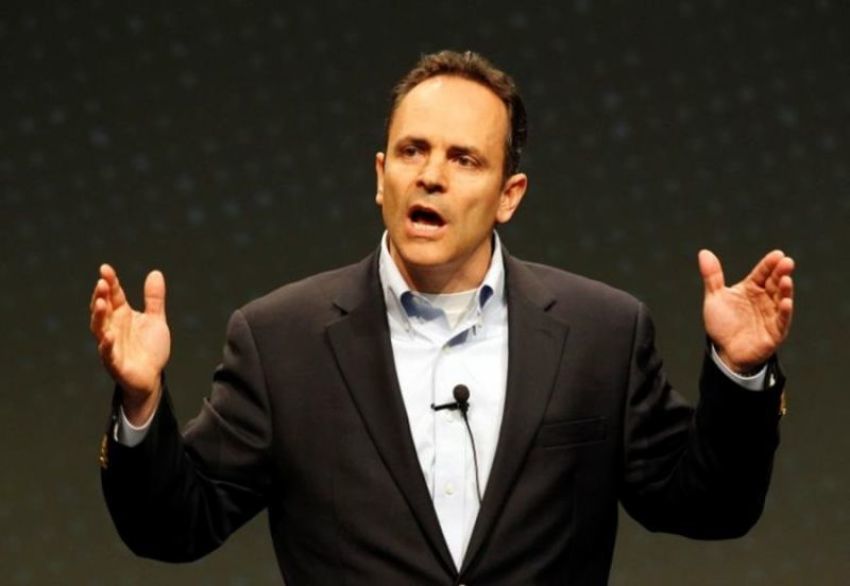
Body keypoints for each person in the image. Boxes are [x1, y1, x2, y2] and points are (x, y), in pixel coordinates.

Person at [90, 50, 795, 585]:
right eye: (412, 151)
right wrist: (142, 400)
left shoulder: (600, 333)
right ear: (380, 175)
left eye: (464, 159)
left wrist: (739, 372)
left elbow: (709, 507)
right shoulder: (282, 341)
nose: (430, 175)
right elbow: (174, 526)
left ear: (509, 193)